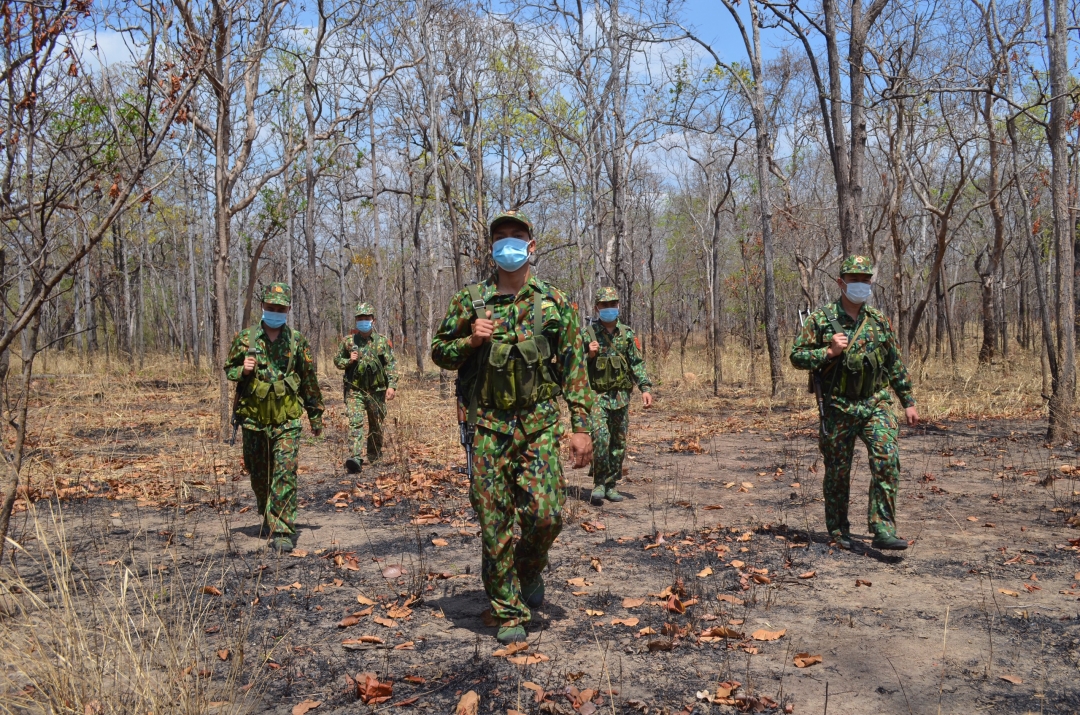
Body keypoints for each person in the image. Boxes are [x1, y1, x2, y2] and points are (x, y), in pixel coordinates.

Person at [431, 209, 596, 644]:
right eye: (500, 237)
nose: (508, 243)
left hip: (539, 426)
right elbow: (439, 352)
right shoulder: (471, 302)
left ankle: (529, 571)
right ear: (491, 248)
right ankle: (507, 609)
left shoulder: (555, 303)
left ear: (531, 245)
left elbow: (576, 368)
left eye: (516, 236)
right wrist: (471, 340)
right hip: (486, 427)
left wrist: (582, 428)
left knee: (546, 517)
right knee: (494, 521)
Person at [790, 255, 918, 551]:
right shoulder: (822, 319)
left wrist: (908, 401)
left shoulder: (878, 320)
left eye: (865, 280)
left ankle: (883, 529)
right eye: (854, 279)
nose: (860, 285)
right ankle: (838, 530)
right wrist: (829, 352)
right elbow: (797, 356)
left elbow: (894, 363)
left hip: (876, 403)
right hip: (838, 407)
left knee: (887, 460)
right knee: (837, 470)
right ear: (841, 283)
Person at [225, 282, 323, 553]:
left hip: (287, 420)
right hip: (254, 420)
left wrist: (315, 416)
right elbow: (228, 369)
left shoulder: (296, 341)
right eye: (270, 307)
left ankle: (282, 529)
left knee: (284, 473)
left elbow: (309, 380)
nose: (275, 312)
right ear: (262, 307)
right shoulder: (246, 338)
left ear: (288, 309)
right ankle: (269, 514)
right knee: (259, 475)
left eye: (280, 308)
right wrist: (242, 371)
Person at [584, 286, 652, 505]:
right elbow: (574, 365)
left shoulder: (627, 334)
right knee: (601, 439)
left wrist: (645, 388)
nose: (609, 308)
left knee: (618, 443)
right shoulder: (589, 334)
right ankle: (599, 484)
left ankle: (612, 485)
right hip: (597, 396)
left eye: (613, 304)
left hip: (621, 396)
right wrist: (589, 354)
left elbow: (636, 363)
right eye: (604, 305)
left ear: (618, 306)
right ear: (597, 308)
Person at [333, 302, 398, 473]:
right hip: (355, 391)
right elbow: (337, 361)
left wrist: (392, 386)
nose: (363, 321)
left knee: (376, 425)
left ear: (373, 320)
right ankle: (355, 458)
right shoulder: (348, 342)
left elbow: (390, 365)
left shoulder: (383, 342)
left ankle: (375, 457)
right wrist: (349, 361)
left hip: (377, 392)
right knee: (355, 423)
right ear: (356, 321)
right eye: (360, 318)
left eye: (366, 318)